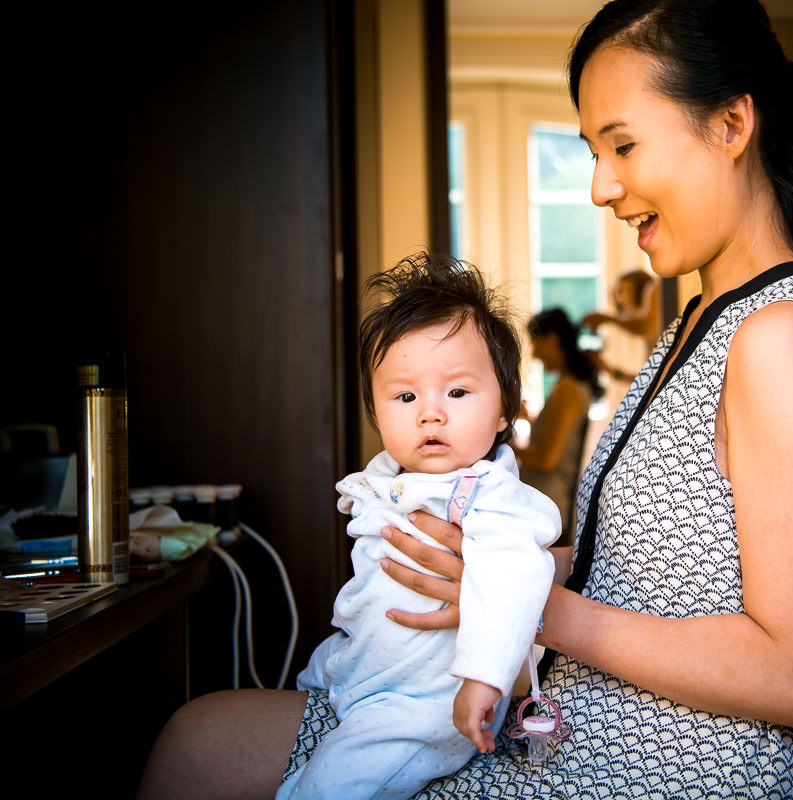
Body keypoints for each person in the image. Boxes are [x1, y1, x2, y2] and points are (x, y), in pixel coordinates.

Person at [135, 1, 793, 797]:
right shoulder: (704, 323)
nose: (601, 187)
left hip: (646, 767)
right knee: (199, 740)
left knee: (201, 750)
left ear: (730, 125)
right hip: (572, 720)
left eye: (623, 145)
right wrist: (488, 562)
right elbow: (661, 573)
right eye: (593, 152)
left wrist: (522, 601)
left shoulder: (779, 337)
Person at [140, 253, 562, 800]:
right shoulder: (389, 476)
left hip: (424, 703)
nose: (430, 413)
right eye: (405, 396)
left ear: (505, 409)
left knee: (325, 788)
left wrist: (484, 677)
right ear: (376, 411)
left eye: (456, 393)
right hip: (359, 667)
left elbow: (514, 582)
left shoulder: (490, 496)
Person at [512, 308, 603, 546]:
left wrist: (504, 446)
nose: (535, 353)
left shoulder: (568, 390)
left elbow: (547, 459)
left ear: (552, 339)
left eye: (536, 343)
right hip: (547, 505)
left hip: (547, 508)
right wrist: (530, 421)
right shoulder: (569, 386)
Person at [583, 268, 662, 385]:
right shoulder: (650, 339)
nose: (620, 302)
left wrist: (606, 318)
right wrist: (609, 370)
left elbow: (645, 326)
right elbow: (648, 382)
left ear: (636, 279)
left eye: (620, 291)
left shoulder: (654, 288)